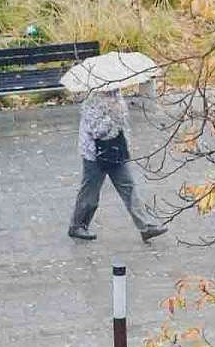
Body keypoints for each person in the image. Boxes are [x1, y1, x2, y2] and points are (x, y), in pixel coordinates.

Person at [68, 89, 168, 242]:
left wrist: (117, 115)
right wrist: (112, 116)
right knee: (90, 192)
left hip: (116, 150)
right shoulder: (91, 101)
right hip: (95, 154)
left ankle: (145, 226)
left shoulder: (116, 95)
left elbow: (123, 124)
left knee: (128, 186)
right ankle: (78, 225)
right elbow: (97, 131)